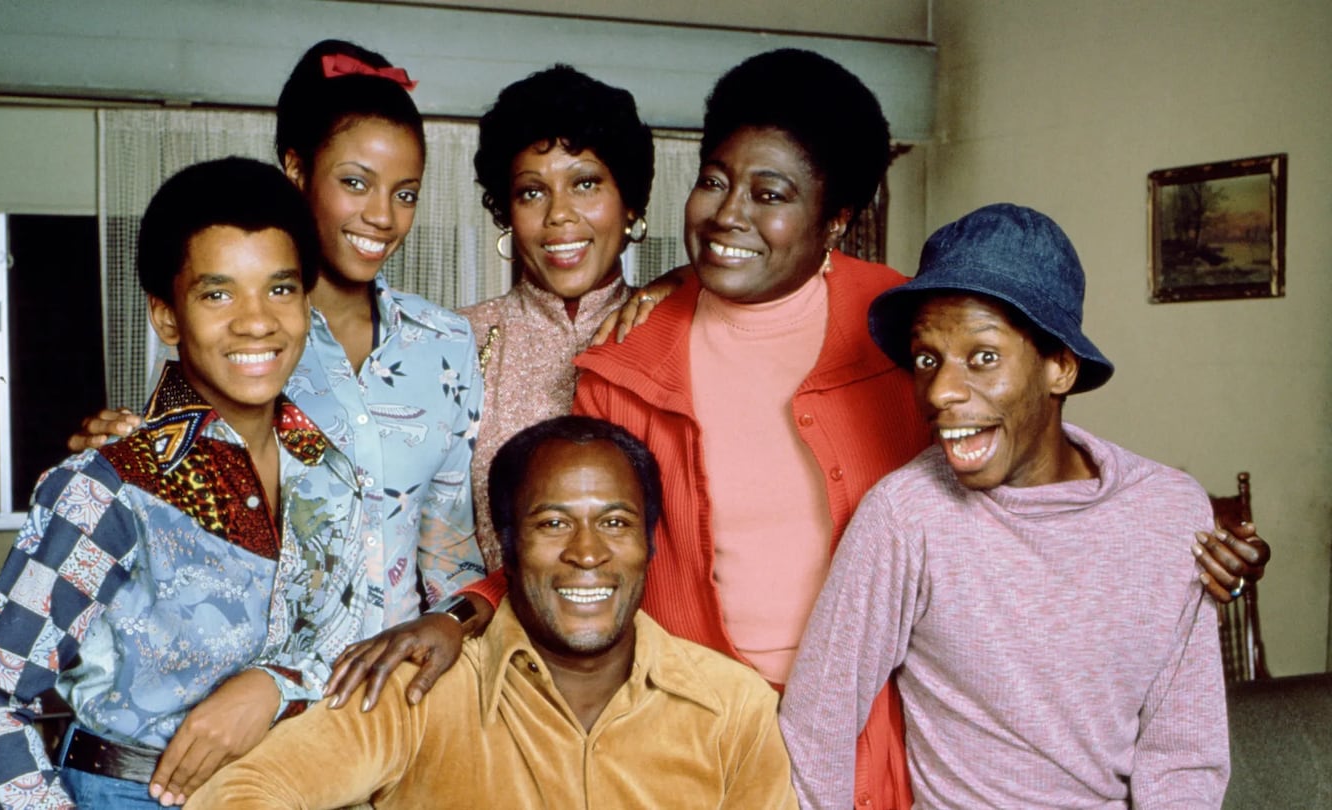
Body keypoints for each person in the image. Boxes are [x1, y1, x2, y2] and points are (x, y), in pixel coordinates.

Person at [324, 48, 1267, 809]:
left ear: (838, 220)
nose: (727, 216)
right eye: (716, 182)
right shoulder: (622, 355)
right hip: (692, 732)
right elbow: (587, 545)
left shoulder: (911, 326)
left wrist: (1188, 542)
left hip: (879, 740)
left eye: (770, 194)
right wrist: (466, 611)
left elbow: (1029, 448)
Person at [0, 157, 364, 808]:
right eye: (218, 293)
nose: (256, 321)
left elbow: (344, 637)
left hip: (296, 787)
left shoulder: (329, 470)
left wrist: (274, 682)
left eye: (280, 289)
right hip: (131, 790)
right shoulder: (113, 483)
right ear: (167, 318)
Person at [781, 203, 1230, 808]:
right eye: (926, 358)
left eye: (984, 357)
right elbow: (818, 727)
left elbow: (1183, 756)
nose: (939, 391)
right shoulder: (908, 514)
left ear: (1060, 368)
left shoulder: (1169, 512)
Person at [71, 41, 487, 646]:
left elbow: (452, 555)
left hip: (404, 701)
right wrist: (115, 449)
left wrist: (452, 627)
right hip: (260, 707)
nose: (384, 217)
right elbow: (177, 542)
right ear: (296, 171)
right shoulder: (246, 345)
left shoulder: (447, 344)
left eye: (405, 193)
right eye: (355, 182)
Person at [185, 416, 798, 809]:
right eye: (552, 523)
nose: (587, 553)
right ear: (505, 545)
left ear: (650, 544)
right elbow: (240, 794)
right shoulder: (417, 691)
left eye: (615, 523)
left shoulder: (733, 709)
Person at [460, 64, 655, 569]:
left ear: (630, 204)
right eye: (532, 191)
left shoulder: (676, 332)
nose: (558, 215)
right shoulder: (455, 341)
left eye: (585, 183)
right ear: (507, 211)